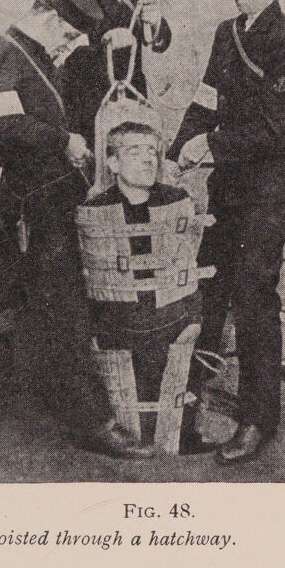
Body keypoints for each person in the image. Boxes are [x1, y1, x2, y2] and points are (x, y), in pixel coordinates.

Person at [0, 0, 154, 458]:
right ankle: (92, 422)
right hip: (37, 201)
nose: (69, 45)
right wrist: (64, 141)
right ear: (50, 18)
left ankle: (51, 402)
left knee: (55, 303)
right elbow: (4, 127)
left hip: (56, 196)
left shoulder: (32, 54)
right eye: (69, 34)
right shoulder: (1, 54)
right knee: (67, 305)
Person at [167, 0, 285, 463]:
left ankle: (257, 420)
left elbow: (275, 128)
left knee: (253, 302)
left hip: (266, 194)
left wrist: (209, 145)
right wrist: (174, 149)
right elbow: (207, 98)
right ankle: (187, 401)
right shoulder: (226, 35)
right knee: (207, 291)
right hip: (227, 190)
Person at [78, 111, 213, 454]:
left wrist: (195, 319)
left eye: (153, 152)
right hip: (118, 320)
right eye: (135, 151)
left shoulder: (175, 200)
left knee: (183, 338)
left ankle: (182, 434)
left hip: (170, 316)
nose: (147, 159)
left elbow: (189, 262)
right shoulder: (94, 208)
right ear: (113, 163)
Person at [58, 0, 171, 144]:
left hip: (132, 97)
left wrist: (156, 23)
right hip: (86, 102)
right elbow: (61, 54)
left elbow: (159, 44)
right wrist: (101, 42)